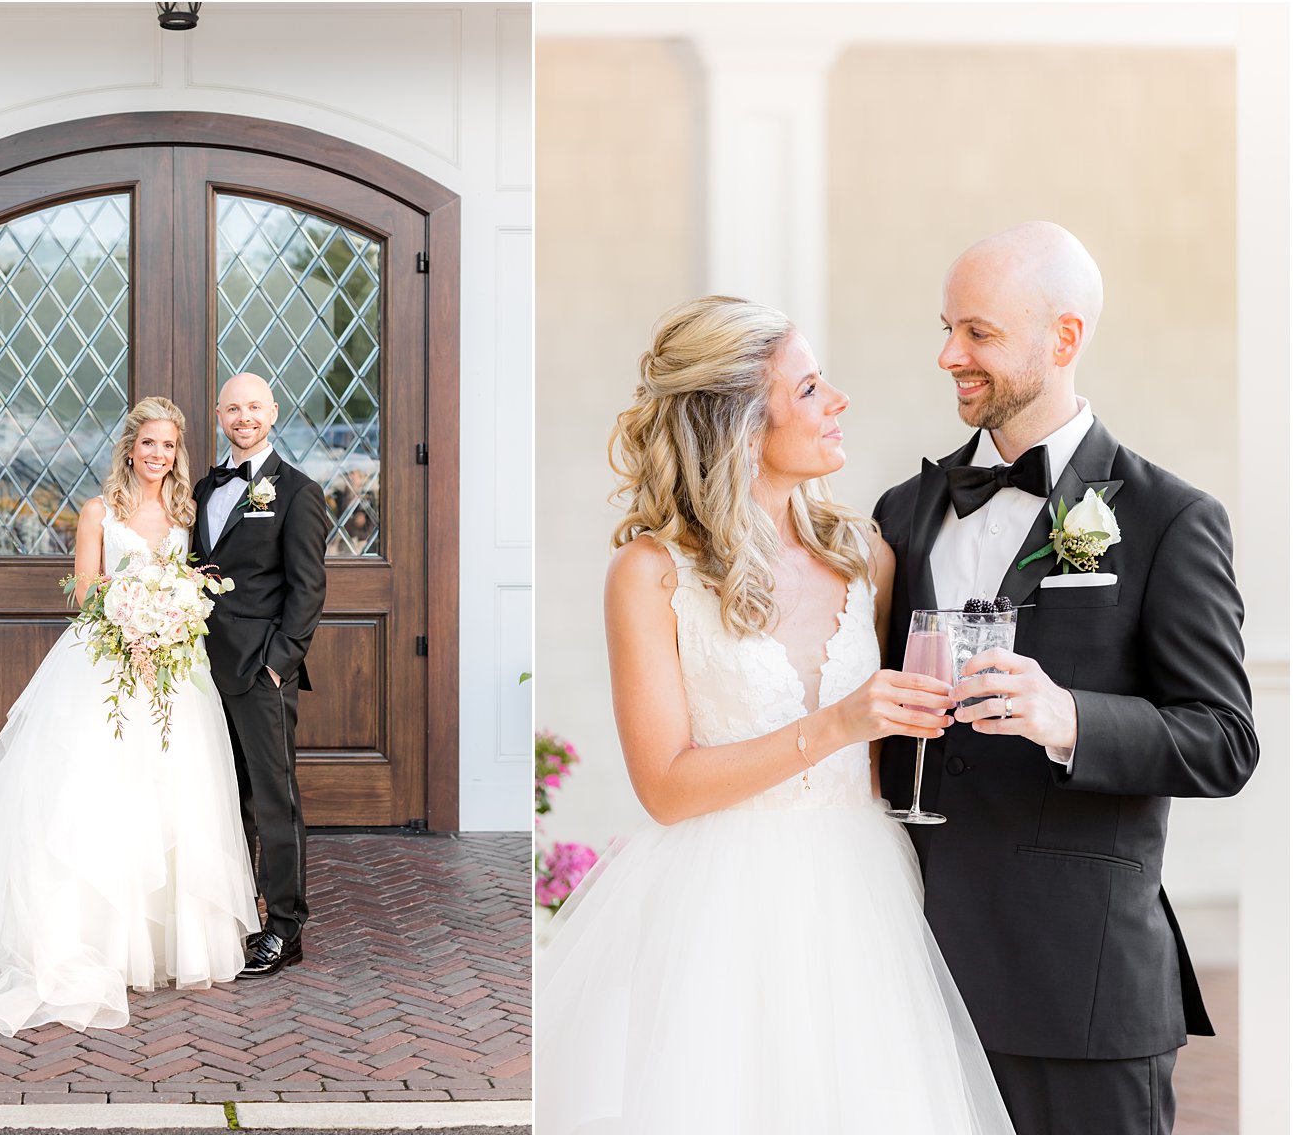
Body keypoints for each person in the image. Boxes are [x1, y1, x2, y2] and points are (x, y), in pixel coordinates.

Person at [535, 296, 1014, 1134]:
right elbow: (666, 786)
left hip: (865, 897)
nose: (840, 402)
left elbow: (887, 761)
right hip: (718, 902)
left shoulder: (866, 553)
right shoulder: (650, 573)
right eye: (811, 389)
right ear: (743, 426)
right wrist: (839, 722)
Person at [874, 222, 1258, 1134]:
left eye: (978, 333)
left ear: (1065, 338)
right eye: (945, 328)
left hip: (1079, 991)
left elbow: (1225, 739)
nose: (948, 355)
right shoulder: (905, 511)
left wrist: (1068, 717)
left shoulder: (1171, 518)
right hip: (909, 978)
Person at [0, 397, 259, 1050]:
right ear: (129, 447)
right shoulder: (99, 511)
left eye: (169, 446)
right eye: (148, 443)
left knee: (176, 799)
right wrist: (132, 614)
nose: (158, 456)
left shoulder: (185, 511)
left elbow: (195, 578)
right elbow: (87, 587)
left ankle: (158, 943)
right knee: (93, 803)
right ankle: (91, 944)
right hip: (107, 664)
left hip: (174, 671)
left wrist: (172, 614)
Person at [193, 373, 329, 978]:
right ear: (218, 414)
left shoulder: (298, 493)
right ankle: (239, 913)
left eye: (254, 406)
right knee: (222, 799)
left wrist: (279, 665)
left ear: (273, 412)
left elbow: (308, 591)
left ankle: (284, 928)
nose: (243, 416)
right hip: (198, 670)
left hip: (259, 671)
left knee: (272, 800)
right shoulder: (204, 487)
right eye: (232, 408)